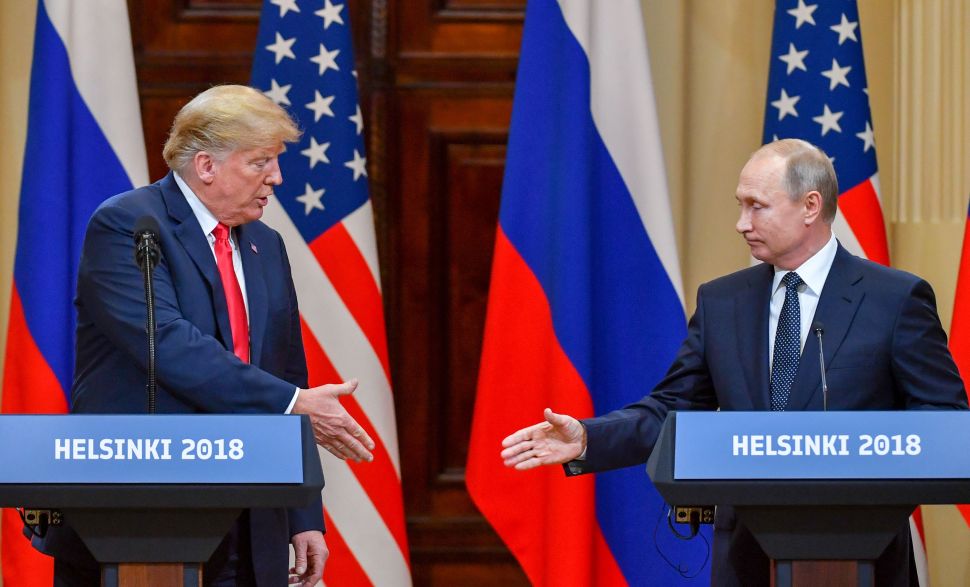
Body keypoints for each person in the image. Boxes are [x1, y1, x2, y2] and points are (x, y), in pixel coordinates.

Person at [500, 138, 969, 587]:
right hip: (748, 558)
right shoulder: (722, 302)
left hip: (864, 554)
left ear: (810, 206)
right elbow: (672, 408)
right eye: (740, 205)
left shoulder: (894, 299)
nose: (741, 223)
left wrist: (870, 484)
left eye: (756, 206)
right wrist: (588, 437)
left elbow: (943, 421)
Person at [33, 85, 374, 586]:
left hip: (250, 518)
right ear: (207, 166)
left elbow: (286, 373)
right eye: (261, 162)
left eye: (276, 162)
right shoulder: (130, 225)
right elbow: (169, 344)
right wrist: (295, 401)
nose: (276, 178)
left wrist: (303, 513)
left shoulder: (265, 244)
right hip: (142, 520)